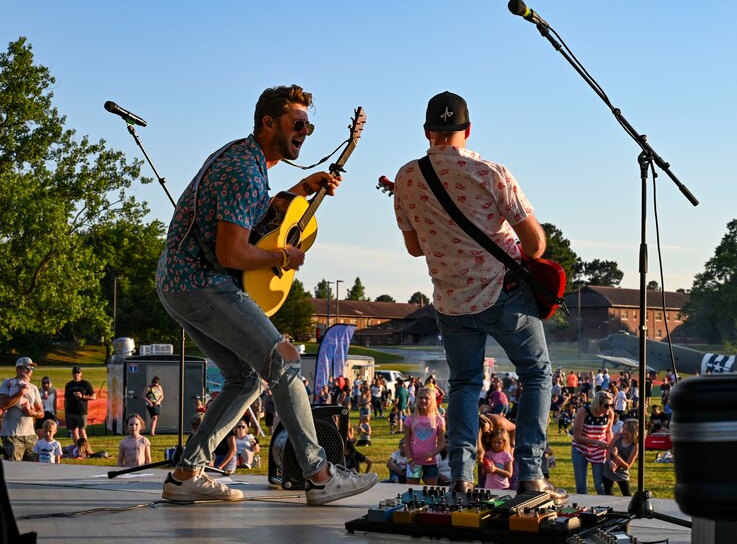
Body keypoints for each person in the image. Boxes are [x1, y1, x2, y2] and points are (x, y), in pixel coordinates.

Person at [155, 84, 377, 504]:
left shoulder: (244, 158)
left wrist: (297, 192)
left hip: (177, 281)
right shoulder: (244, 170)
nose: (305, 132)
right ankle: (320, 474)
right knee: (285, 360)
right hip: (203, 282)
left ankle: (185, 475)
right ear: (268, 122)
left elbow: (251, 219)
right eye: (298, 123)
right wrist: (282, 256)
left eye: (309, 126)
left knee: (244, 380)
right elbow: (232, 251)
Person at [392, 91, 566, 504]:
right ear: (467, 131)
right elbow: (536, 245)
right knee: (537, 374)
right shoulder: (490, 172)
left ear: (427, 132)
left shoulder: (406, 178)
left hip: (450, 303)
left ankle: (461, 477)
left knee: (465, 384)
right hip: (503, 295)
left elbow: (415, 248)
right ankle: (530, 475)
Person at [571, 390, 615, 495]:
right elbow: (577, 436)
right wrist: (598, 442)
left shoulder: (609, 414)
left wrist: (612, 447)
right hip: (580, 449)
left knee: (600, 486)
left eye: (611, 405)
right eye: (606, 405)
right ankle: (582, 508)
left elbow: (608, 431)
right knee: (581, 487)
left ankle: (605, 507)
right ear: (598, 404)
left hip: (599, 451)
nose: (608, 408)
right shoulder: (584, 411)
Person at [0, 357, 44, 461]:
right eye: (27, 368)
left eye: (32, 369)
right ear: (18, 369)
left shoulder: (33, 388)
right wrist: (20, 393)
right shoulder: (7, 383)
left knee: (32, 469)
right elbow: (3, 405)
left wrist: (32, 413)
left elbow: (41, 413)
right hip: (12, 436)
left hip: (30, 436)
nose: (30, 371)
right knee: (13, 469)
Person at [403, 387, 445, 486]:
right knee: (411, 491)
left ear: (433, 400)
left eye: (427, 398)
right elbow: (406, 443)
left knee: (431, 491)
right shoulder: (410, 419)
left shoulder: (439, 420)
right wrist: (410, 460)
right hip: (414, 462)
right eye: (420, 398)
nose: (423, 401)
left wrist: (432, 453)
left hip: (431, 463)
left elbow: (441, 444)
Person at [602, 418, 639, 496]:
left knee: (627, 496)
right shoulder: (618, 436)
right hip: (608, 470)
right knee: (607, 496)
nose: (623, 431)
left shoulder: (635, 446)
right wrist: (609, 462)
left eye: (626, 429)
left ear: (632, 431)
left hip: (621, 473)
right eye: (623, 428)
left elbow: (627, 466)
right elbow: (608, 452)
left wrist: (616, 456)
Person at [64, 366, 96, 445]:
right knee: (74, 430)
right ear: (72, 374)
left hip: (81, 412)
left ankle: (85, 448)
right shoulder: (69, 385)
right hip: (70, 412)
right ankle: (77, 448)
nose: (76, 374)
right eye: (74, 373)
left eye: (78, 372)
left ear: (81, 374)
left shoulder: (85, 384)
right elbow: (66, 399)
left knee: (82, 430)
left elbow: (94, 397)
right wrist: (65, 410)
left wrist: (83, 396)